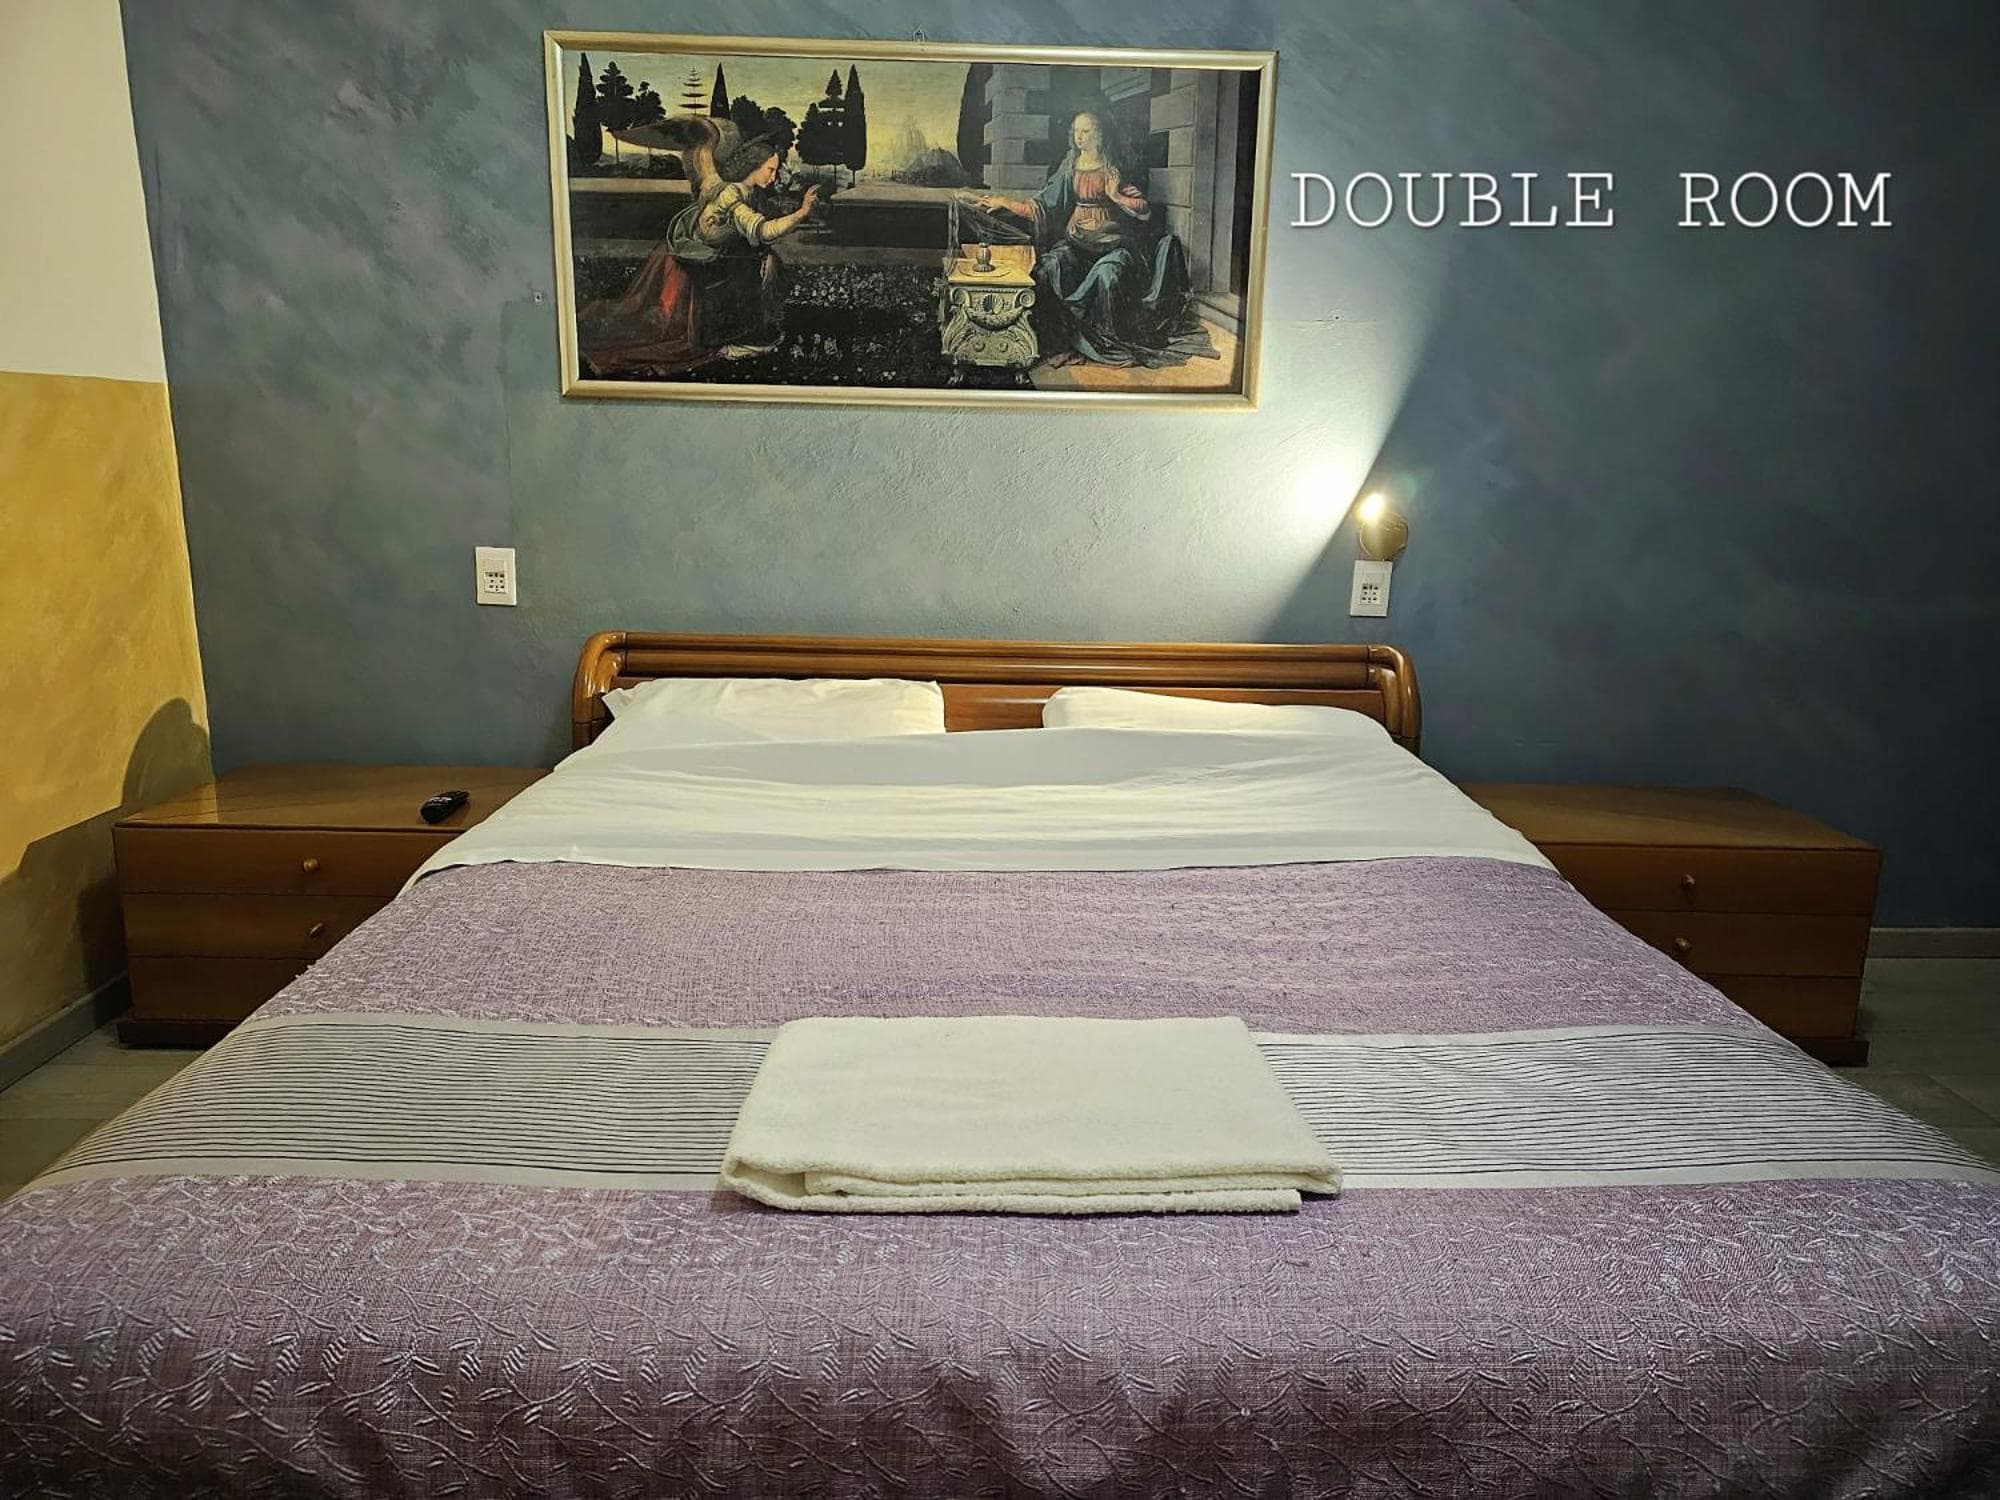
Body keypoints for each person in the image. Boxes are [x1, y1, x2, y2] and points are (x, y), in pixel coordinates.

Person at [969, 111, 1199, 367]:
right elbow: (1043, 204)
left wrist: (1116, 196)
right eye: (1076, 131)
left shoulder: (1113, 167)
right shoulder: (1070, 165)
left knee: (1108, 276)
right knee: (1049, 267)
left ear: (1098, 134)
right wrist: (1005, 202)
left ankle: (1105, 342)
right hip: (1076, 244)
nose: (1079, 137)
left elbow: (1144, 212)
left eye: (1086, 131)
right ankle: (1056, 339)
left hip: (1113, 247)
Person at [578, 135, 819, 375]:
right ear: (753, 166)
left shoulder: (750, 193)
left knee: (766, 263)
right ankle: (726, 335)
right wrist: (802, 212)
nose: (773, 177)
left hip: (716, 255)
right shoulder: (731, 194)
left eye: (775, 171)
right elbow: (763, 231)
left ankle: (742, 329)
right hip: (695, 258)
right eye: (770, 170)